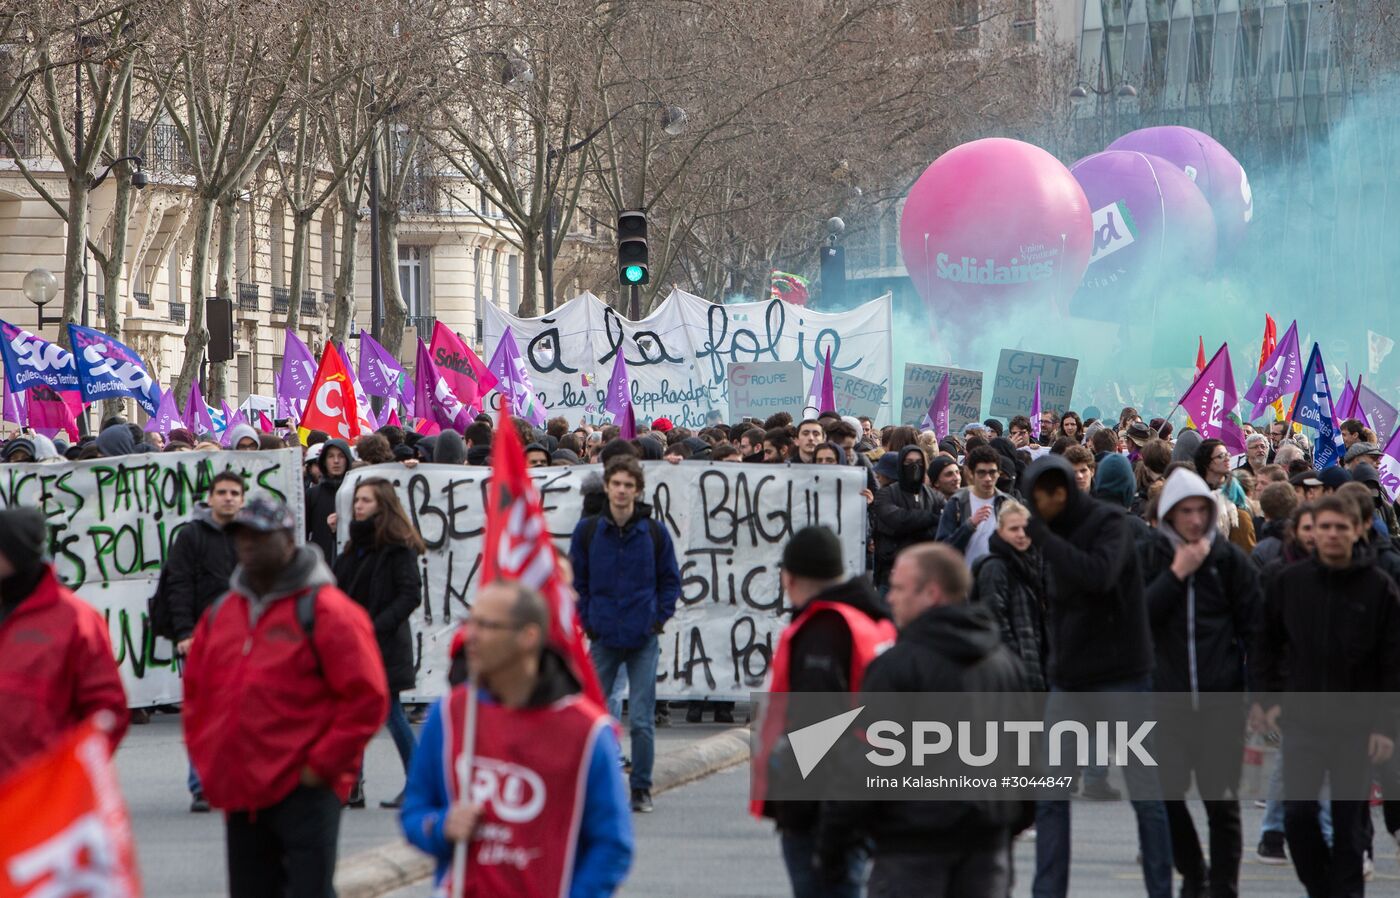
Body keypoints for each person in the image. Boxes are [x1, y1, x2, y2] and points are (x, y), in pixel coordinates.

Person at [182, 496, 388, 898]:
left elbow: (367, 699)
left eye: (259, 537)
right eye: (240, 536)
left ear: (287, 540)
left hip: (306, 789)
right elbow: (197, 692)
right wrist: (210, 760)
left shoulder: (329, 611)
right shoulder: (223, 611)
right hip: (243, 787)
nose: (247, 545)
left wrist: (320, 766)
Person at [819, 543, 1029, 896]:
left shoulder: (897, 667)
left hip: (911, 852)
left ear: (931, 593)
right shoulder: (1005, 666)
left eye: (900, 588)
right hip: (986, 850)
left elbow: (867, 766)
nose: (891, 599)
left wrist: (832, 843)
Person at [400, 579, 634, 897]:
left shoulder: (588, 731)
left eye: (487, 626)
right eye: (470, 623)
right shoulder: (449, 715)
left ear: (528, 637)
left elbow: (612, 845)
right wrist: (442, 825)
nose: (470, 636)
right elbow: (415, 811)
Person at [1021, 455, 1172, 898]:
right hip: (1069, 677)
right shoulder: (1050, 532)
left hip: (1122, 675)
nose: (1049, 501)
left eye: (1057, 491)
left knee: (1145, 792)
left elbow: (1098, 575)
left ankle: (1160, 888)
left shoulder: (1108, 522)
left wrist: (1044, 539)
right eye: (1040, 494)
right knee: (1050, 796)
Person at [1251, 495, 1400, 898]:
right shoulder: (1289, 582)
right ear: (1312, 532)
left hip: (1356, 727)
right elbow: (1265, 643)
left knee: (1349, 824)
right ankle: (1321, 887)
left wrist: (1386, 727)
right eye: (1325, 527)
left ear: (1358, 530)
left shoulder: (1379, 588)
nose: (1333, 534)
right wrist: (1266, 699)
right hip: (1303, 722)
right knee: (1298, 817)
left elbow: (1392, 665)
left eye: (1341, 527)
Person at [752, 526, 894, 898]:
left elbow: (821, 735)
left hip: (822, 812)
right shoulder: (870, 621)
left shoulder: (824, 630)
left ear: (790, 576)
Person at [1139, 469, 1260, 898]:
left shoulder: (1228, 562)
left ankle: (1224, 885)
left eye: (1200, 511)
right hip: (1164, 702)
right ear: (1168, 515)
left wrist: (1257, 692)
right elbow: (1136, 620)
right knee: (1166, 797)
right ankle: (1193, 870)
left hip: (1219, 701)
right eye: (1184, 511)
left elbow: (1254, 629)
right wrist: (1175, 574)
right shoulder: (1149, 556)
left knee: (1220, 801)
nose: (1193, 520)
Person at [570, 457, 681, 814]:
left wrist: (656, 620)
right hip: (603, 636)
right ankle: (596, 788)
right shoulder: (588, 532)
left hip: (642, 636)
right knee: (593, 717)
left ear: (637, 490)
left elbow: (670, 580)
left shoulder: (654, 533)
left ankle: (641, 788)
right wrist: (589, 621)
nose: (621, 491)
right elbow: (578, 582)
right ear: (606, 487)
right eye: (616, 484)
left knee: (643, 721)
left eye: (628, 485)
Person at [0, 507, 128, 779]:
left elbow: (106, 711)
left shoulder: (74, 619)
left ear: (17, 554)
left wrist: (73, 777)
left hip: (43, 793)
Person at [332, 477, 425, 810]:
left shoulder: (397, 548)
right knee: (353, 712)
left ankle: (417, 783)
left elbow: (409, 595)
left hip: (384, 644)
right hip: (352, 644)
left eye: (366, 500)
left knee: (390, 711)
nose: (358, 506)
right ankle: (352, 784)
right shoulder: (352, 546)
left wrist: (375, 626)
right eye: (357, 500)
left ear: (382, 505)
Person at [166, 469, 245, 812]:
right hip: (201, 635)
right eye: (222, 492)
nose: (228, 498)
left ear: (242, 500)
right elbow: (178, 584)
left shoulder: (251, 537)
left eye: (234, 493)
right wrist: (184, 632)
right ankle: (200, 785)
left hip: (244, 637)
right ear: (210, 498)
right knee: (203, 713)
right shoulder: (191, 536)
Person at [970, 499, 1049, 690]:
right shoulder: (994, 567)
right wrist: (1015, 663)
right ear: (1000, 532)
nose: (1021, 535)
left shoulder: (1033, 564)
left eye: (1025, 529)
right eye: (1014, 529)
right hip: (1012, 668)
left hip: (1034, 660)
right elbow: (995, 619)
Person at [870, 445, 941, 591]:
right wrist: (931, 518)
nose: (914, 467)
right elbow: (897, 519)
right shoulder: (886, 494)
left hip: (926, 572)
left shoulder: (932, 495)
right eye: (908, 462)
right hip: (890, 573)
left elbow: (943, 524)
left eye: (919, 462)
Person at [935, 444, 1010, 567]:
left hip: (998, 580)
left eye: (992, 473)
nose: (988, 478)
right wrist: (969, 526)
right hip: (964, 580)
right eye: (981, 473)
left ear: (999, 474)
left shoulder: (1006, 503)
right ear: (971, 473)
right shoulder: (957, 502)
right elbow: (942, 548)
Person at [305, 438, 352, 562]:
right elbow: (303, 533)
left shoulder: (357, 492)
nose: (336, 461)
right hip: (321, 565)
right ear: (324, 461)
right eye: (331, 456)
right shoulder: (312, 494)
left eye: (341, 456)